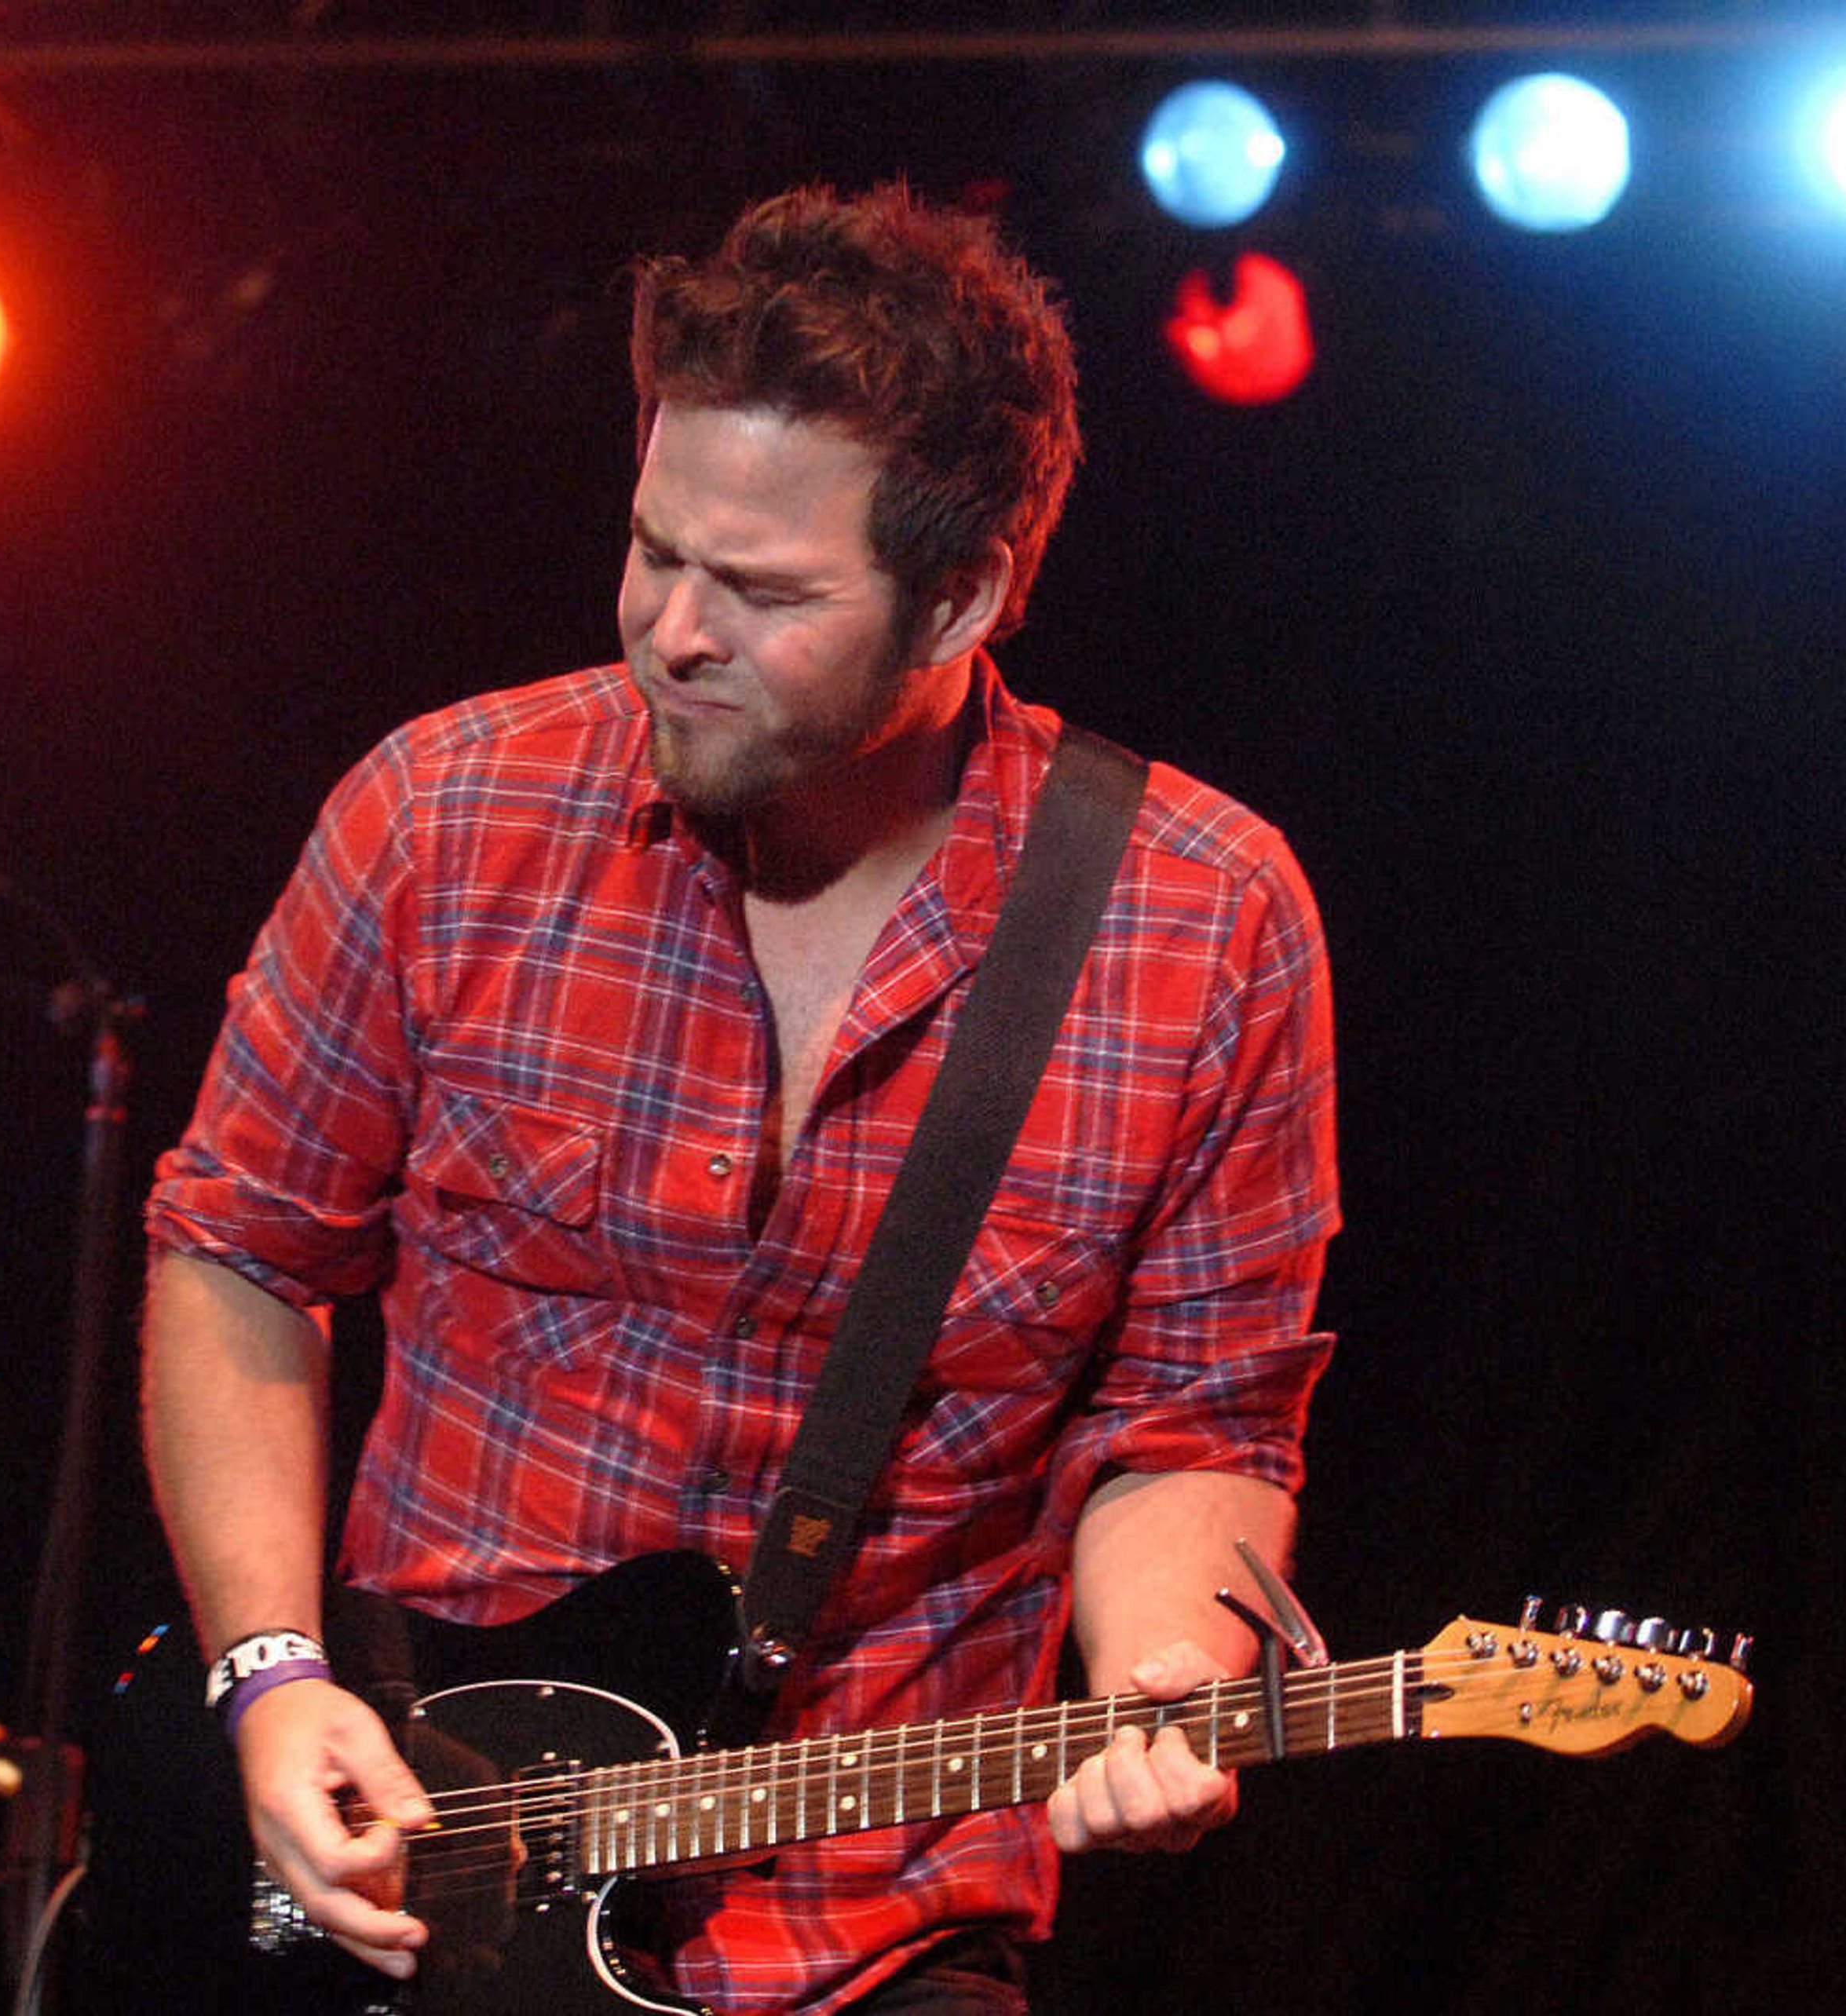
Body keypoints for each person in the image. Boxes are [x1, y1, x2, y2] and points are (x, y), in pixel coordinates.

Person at [139, 182, 1339, 2014]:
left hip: (882, 1915)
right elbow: (236, 1255)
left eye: (764, 591)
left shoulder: (1205, 920)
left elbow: (1197, 1418)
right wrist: (270, 1669)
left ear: (967, 595)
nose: (670, 631)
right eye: (653, 548)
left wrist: (1169, 1675)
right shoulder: (443, 814)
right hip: (431, 1866)